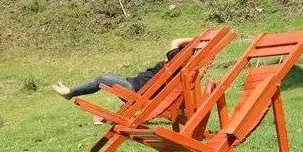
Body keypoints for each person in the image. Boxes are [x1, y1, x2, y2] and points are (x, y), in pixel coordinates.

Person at [52, 37, 195, 100]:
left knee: (101, 78)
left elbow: (175, 41)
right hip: (133, 85)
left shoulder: (176, 61)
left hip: (135, 89)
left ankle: (69, 92)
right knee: (103, 79)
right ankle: (70, 92)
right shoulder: (175, 64)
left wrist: (197, 39)